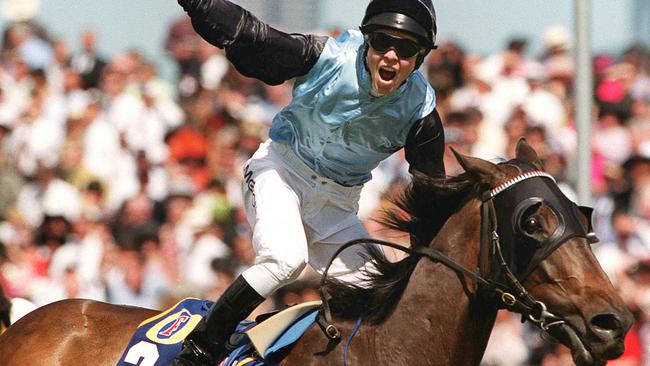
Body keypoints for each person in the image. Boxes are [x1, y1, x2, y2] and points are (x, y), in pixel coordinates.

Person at [172, 0, 446, 364]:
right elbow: (252, 35)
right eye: (382, 42)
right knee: (285, 260)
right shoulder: (327, 57)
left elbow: (431, 197)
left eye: (407, 48)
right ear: (367, 41)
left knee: (380, 298)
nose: (392, 56)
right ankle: (199, 349)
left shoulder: (422, 113)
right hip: (279, 172)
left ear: (421, 56)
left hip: (336, 205)